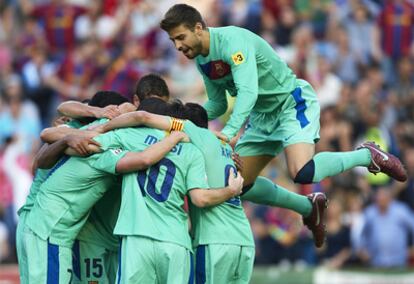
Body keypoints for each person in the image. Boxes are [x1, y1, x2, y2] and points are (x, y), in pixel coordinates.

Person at [160, 4, 408, 247]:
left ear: (199, 27)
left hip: (291, 102)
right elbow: (217, 103)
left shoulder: (233, 42)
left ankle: (368, 155)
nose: (178, 46)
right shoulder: (202, 59)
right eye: (173, 41)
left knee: (301, 172)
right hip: (262, 116)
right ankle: (308, 207)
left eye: (181, 37)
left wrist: (228, 132)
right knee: (237, 184)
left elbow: (248, 91)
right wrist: (188, 119)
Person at [95, 101, 255, 283]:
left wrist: (101, 128)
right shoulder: (223, 147)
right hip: (243, 238)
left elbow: (200, 198)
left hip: (211, 240)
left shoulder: (189, 141)